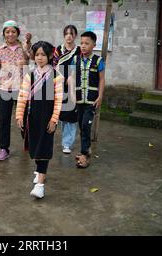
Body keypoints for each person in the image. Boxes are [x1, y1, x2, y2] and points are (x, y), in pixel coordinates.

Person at [15, 41, 63, 199]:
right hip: (32, 117)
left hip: (47, 118)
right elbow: (22, 96)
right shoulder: (30, 75)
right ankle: (39, 170)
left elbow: (58, 100)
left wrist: (54, 119)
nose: (40, 58)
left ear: (49, 56)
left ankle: (40, 185)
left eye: (43, 55)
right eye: (37, 55)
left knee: (44, 147)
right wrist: (19, 115)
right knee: (35, 146)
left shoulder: (56, 76)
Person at [0, 20, 32, 161]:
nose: (10, 34)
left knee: (24, 117)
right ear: (4, 34)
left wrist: (28, 42)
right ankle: (4, 148)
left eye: (13, 31)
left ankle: (28, 142)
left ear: (17, 33)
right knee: (4, 119)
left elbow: (30, 58)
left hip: (22, 88)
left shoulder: (23, 48)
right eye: (7, 32)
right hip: (5, 88)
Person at [70, 31, 105, 168]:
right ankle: (87, 148)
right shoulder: (76, 59)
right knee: (81, 125)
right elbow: (72, 77)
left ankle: (85, 155)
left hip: (92, 100)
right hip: (79, 100)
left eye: (87, 43)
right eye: (82, 43)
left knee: (86, 125)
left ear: (94, 45)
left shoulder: (98, 61)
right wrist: (72, 95)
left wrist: (100, 96)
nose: (83, 46)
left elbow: (102, 79)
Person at [53, 25, 81, 154]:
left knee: (70, 115)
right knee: (54, 113)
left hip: (72, 86)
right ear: (64, 35)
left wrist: (71, 76)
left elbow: (81, 68)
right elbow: (53, 66)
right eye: (67, 33)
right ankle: (48, 139)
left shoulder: (79, 51)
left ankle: (67, 143)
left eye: (72, 33)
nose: (69, 36)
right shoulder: (58, 50)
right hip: (58, 85)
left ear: (75, 36)